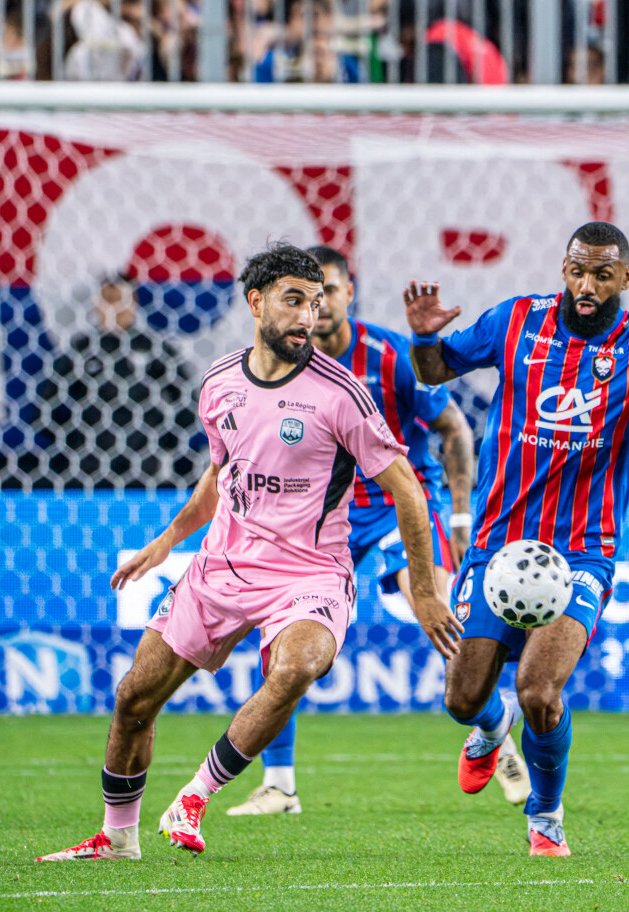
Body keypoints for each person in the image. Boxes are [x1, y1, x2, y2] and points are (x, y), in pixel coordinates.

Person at [37, 243, 463, 862]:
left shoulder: (341, 393)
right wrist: (164, 544)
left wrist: (424, 593)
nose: (307, 318)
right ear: (255, 302)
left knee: (297, 666)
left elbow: (408, 493)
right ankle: (116, 837)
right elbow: (220, 477)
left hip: (310, 573)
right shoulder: (217, 384)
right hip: (222, 566)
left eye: (316, 304)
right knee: (135, 698)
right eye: (294, 301)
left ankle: (195, 796)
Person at [405, 221, 629, 856]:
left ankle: (545, 816)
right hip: (501, 544)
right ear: (564, 266)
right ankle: (490, 730)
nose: (586, 284)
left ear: (625, 278)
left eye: (602, 274)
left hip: (582, 553)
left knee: (541, 694)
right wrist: (422, 335)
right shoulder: (515, 319)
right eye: (577, 269)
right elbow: (434, 371)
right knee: (463, 699)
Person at [226, 245, 530, 816]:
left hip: (403, 500)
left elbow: (454, 429)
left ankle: (493, 725)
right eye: (310, 295)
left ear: (345, 294)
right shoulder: (285, 359)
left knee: (436, 612)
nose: (322, 304)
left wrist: (460, 517)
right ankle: (280, 787)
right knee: (282, 637)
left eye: (331, 291)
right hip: (325, 514)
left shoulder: (388, 354)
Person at [38, 272, 201, 489]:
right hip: (88, 469)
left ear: (133, 303)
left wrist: (163, 442)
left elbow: (187, 403)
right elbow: (47, 406)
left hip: (142, 468)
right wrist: (73, 443)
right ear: (96, 305)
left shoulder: (153, 348)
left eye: (121, 299)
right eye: (108, 299)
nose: (114, 308)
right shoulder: (82, 350)